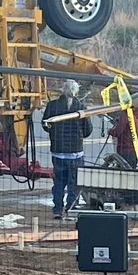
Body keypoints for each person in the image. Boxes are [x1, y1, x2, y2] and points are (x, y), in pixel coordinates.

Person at [43, 90, 89, 218]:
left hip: (58, 152)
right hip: (76, 153)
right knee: (74, 183)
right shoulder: (80, 107)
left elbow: (45, 125)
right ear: (75, 92)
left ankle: (57, 209)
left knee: (59, 182)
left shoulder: (52, 105)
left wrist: (55, 133)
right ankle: (71, 208)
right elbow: (87, 131)